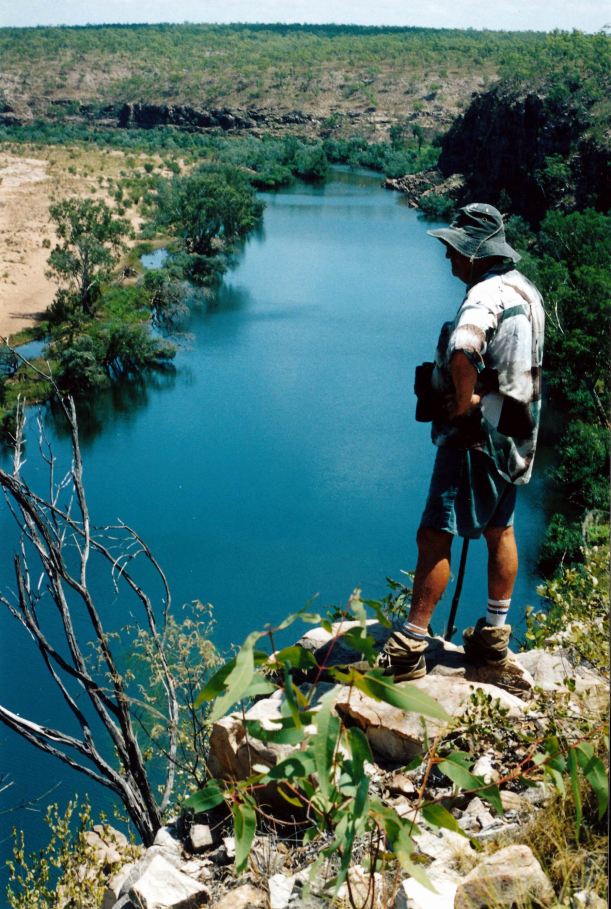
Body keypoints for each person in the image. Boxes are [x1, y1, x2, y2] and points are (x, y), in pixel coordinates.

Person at [380, 203, 545, 681]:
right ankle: (493, 640)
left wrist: (465, 397)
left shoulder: (484, 295)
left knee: (435, 532)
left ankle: (411, 643)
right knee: (501, 530)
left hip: (473, 438)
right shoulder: (526, 291)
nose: (448, 257)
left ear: (476, 253)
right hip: (513, 432)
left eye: (454, 248)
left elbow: (465, 349)